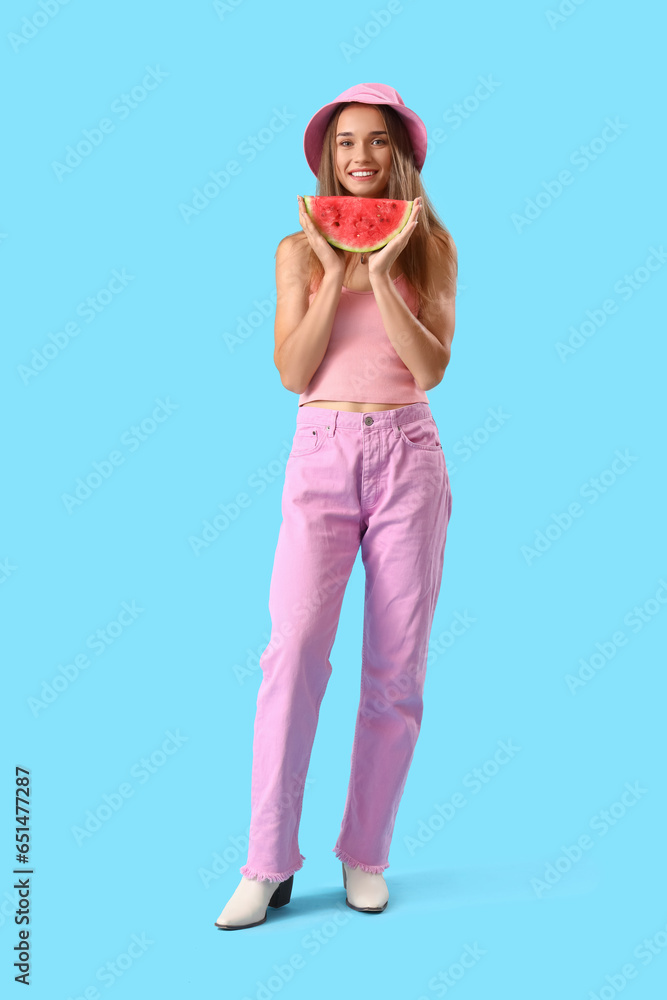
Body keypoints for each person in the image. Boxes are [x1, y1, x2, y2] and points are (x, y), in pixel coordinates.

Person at [215, 82, 457, 930]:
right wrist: (329, 269)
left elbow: (429, 370)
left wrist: (387, 272)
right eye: (346, 141)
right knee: (292, 657)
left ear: (401, 157)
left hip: (409, 456)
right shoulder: (293, 248)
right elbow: (294, 369)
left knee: (397, 671)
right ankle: (268, 861)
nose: (360, 155)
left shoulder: (433, 248)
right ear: (328, 156)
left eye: (378, 142)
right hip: (319, 453)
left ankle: (365, 854)